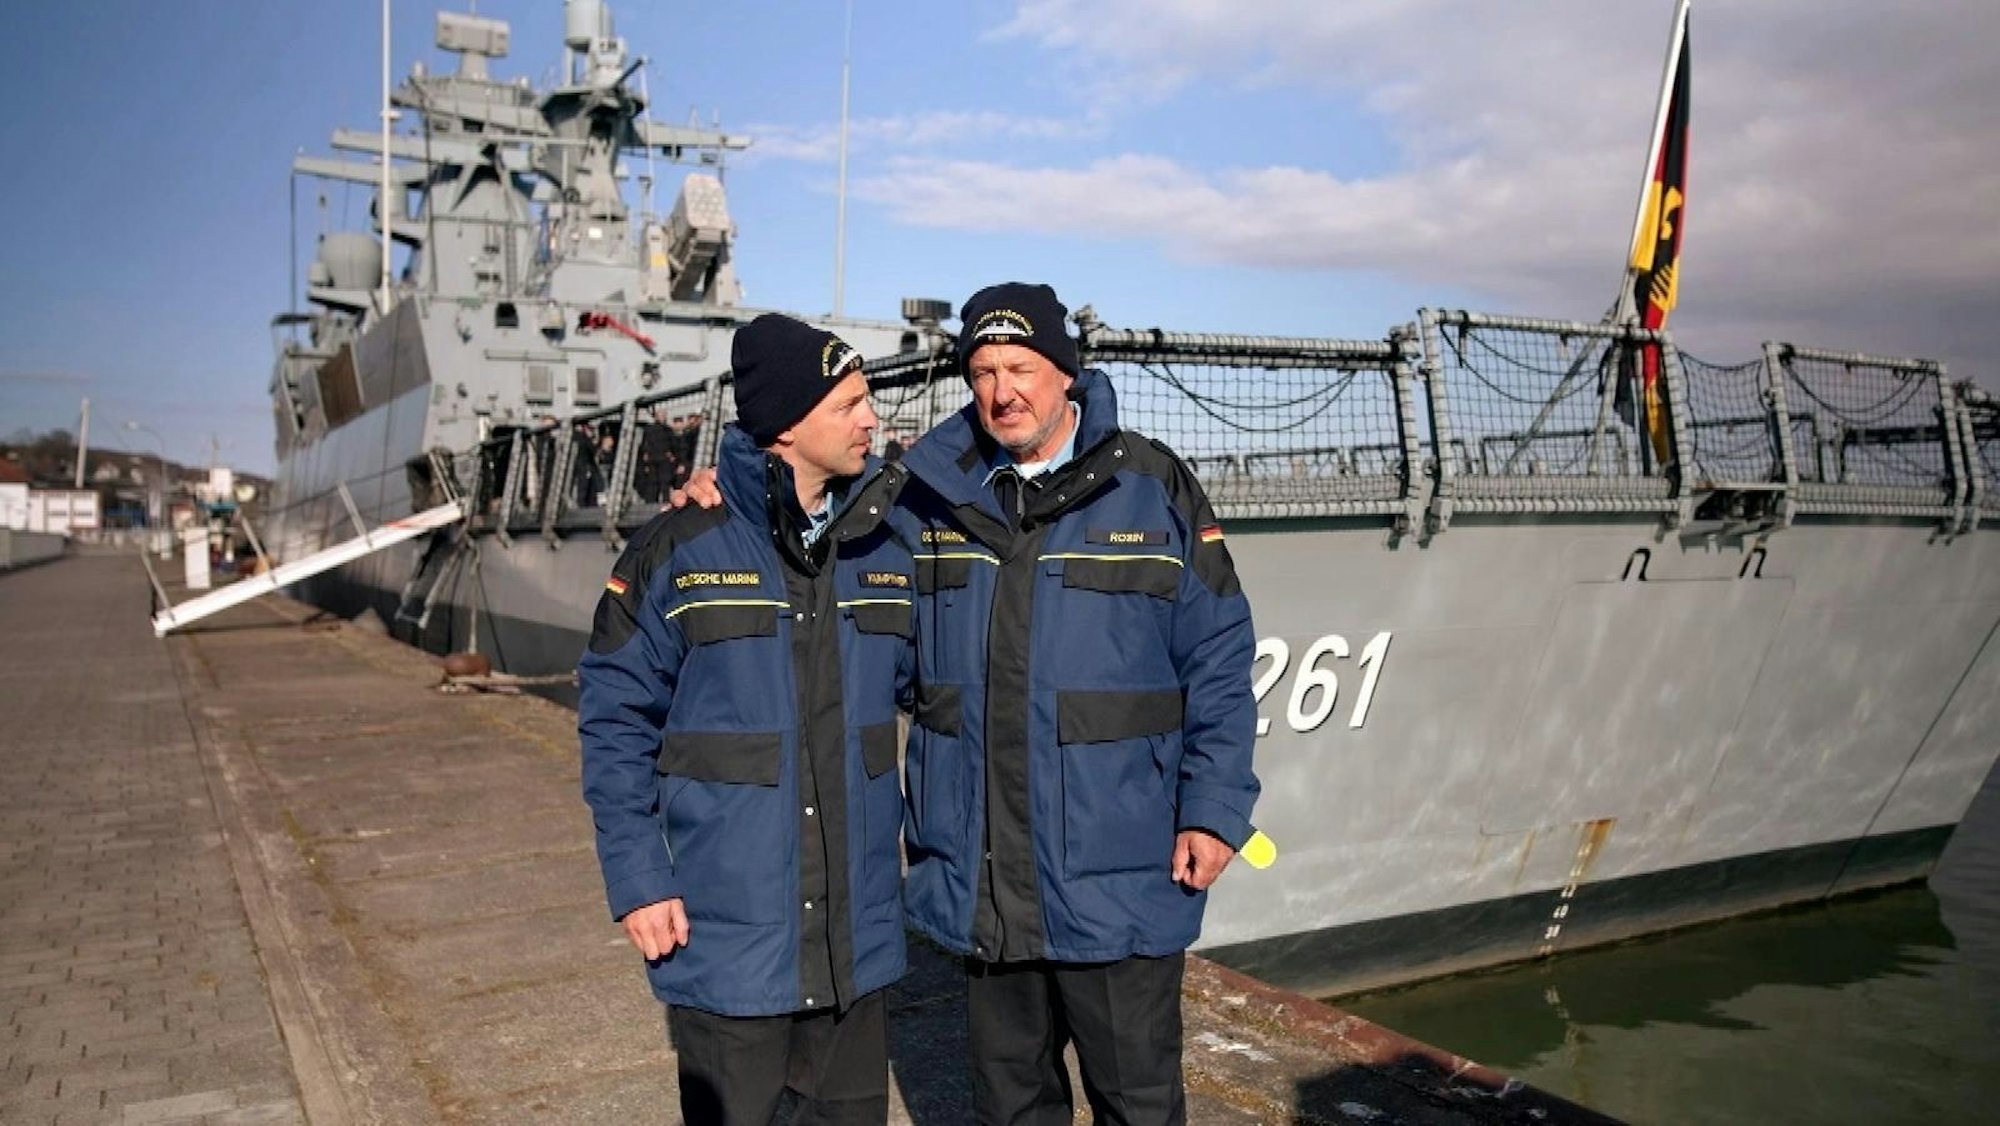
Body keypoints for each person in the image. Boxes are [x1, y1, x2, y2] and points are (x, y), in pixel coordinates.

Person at [893, 282, 1260, 1125]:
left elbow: (1217, 657)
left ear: (1065, 372)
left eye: (1020, 368)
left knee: (1137, 1104)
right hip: (987, 881)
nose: (1001, 392)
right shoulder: (925, 501)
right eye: (982, 372)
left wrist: (1213, 810)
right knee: (1010, 1106)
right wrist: (728, 499)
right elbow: (839, 598)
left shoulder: (1153, 488)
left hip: (1120, 877)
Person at [578, 313, 916, 1124]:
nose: (872, 419)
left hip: (853, 953)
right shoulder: (678, 550)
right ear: (788, 425)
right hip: (729, 950)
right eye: (850, 404)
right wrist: (639, 881)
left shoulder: (887, 549)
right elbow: (615, 720)